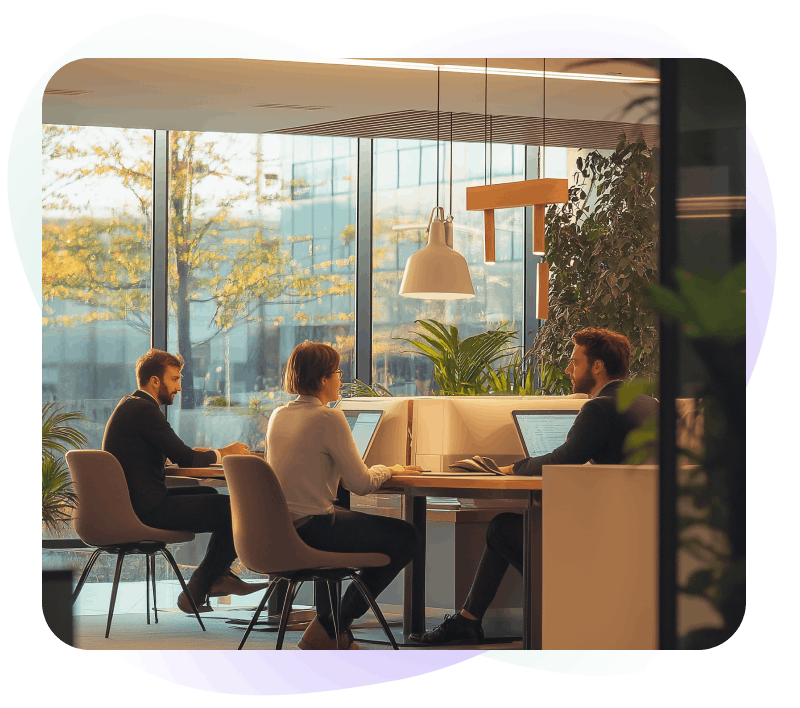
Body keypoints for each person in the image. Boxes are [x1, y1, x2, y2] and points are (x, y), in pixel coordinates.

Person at [416, 328, 659, 645]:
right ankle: (469, 620)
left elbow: (563, 460)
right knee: (518, 525)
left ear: (597, 367)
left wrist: (512, 467)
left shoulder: (599, 408)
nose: (568, 370)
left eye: (574, 361)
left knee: (503, 527)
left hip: (601, 541)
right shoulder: (650, 405)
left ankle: (532, 617)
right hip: (642, 534)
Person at [265, 342, 421, 650]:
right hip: (313, 530)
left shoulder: (278, 415)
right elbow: (360, 484)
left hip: (282, 531)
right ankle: (331, 625)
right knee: (407, 536)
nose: (341, 379)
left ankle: (333, 629)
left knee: (341, 516)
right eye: (338, 372)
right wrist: (391, 469)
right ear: (323, 380)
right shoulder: (329, 418)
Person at [102, 349, 269, 614]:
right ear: (155, 381)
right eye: (175, 379)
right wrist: (225, 452)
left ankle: (214, 578)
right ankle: (202, 585)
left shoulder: (130, 406)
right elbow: (185, 458)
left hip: (137, 502)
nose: (179, 386)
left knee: (216, 498)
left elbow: (166, 455)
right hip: (146, 510)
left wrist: (196, 455)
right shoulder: (146, 411)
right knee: (235, 510)